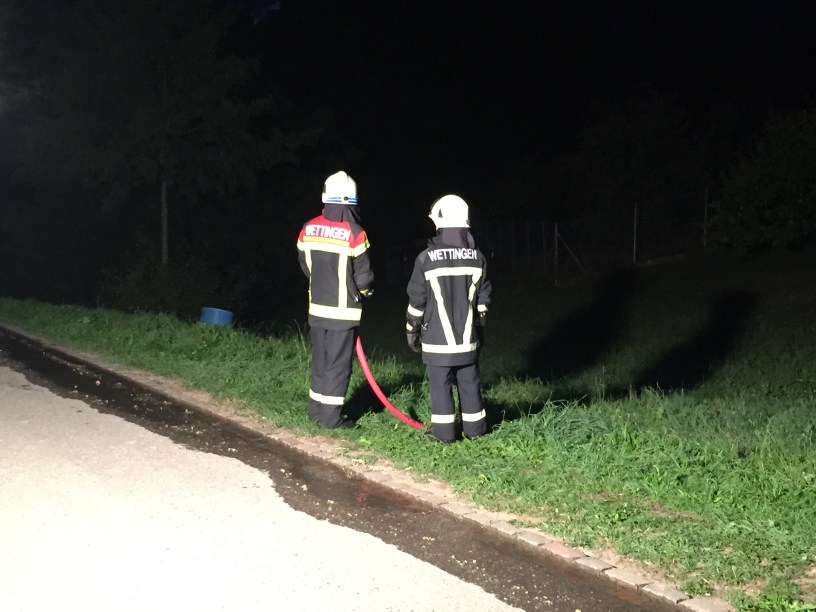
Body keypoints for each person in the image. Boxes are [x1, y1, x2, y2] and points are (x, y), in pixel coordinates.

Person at [405, 194, 492, 443]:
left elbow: (417, 300)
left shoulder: (425, 259)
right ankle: (476, 432)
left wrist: (412, 330)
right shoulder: (478, 258)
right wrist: (479, 326)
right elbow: (484, 298)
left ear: (439, 223)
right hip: (468, 339)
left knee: (440, 386)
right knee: (469, 382)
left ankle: (444, 435)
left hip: (436, 341)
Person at [297, 170, 374, 429]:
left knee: (320, 360)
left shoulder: (308, 229)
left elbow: (306, 265)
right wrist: (365, 293)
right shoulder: (355, 233)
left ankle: (316, 411)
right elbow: (364, 277)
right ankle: (331, 419)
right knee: (338, 365)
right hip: (343, 313)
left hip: (317, 309)